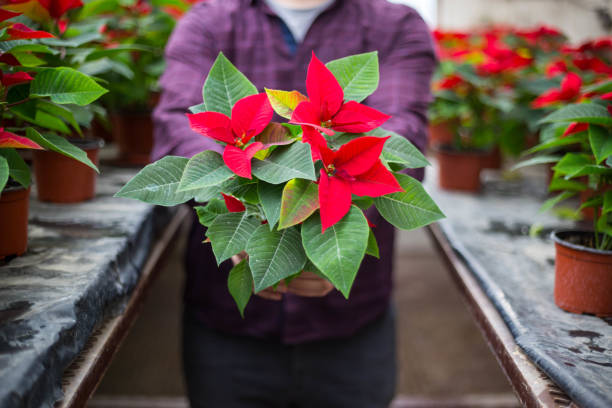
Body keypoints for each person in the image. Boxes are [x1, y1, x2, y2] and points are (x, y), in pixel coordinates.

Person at [152, 0, 436, 406]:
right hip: (228, 333)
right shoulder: (209, 21)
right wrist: (243, 223)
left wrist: (327, 245)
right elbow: (178, 127)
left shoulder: (395, 24)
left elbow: (402, 132)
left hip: (350, 331)